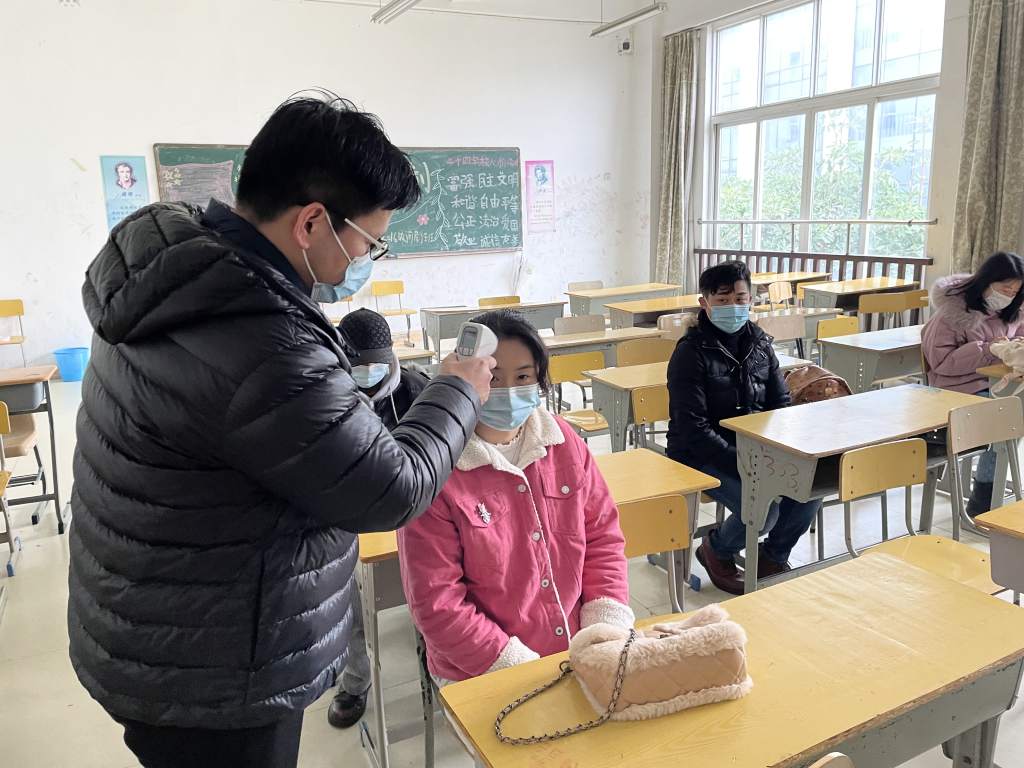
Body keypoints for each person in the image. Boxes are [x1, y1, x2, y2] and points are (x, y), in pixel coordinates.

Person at [68, 93, 494, 768]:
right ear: (312, 223)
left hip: (150, 625)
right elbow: (391, 491)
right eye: (368, 242)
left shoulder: (173, 272)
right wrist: (458, 389)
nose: (366, 260)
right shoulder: (265, 339)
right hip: (216, 670)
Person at [398, 309, 633, 684]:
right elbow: (437, 603)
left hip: (576, 649)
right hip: (480, 669)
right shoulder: (437, 469)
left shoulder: (564, 443)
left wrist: (603, 627)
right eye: (493, 377)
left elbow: (602, 536)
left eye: (523, 377)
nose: (508, 391)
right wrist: (521, 669)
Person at [665, 261, 819, 595]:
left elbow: (780, 403)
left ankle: (772, 556)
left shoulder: (760, 344)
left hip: (755, 448)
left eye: (740, 299)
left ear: (751, 300)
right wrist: (744, 460)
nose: (733, 307)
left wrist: (778, 450)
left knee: (809, 487)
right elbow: (693, 428)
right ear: (704, 303)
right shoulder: (690, 353)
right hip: (700, 454)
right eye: (722, 300)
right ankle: (716, 548)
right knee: (763, 511)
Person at [327, 308, 429, 728]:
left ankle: (436, 654)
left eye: (378, 367)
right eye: (359, 367)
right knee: (347, 595)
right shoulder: (325, 394)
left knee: (441, 581)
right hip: (352, 520)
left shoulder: (418, 391)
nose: (369, 376)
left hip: (416, 514)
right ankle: (356, 678)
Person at [922, 251, 1024, 515]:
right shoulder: (952, 314)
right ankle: (984, 497)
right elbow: (940, 363)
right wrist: (989, 349)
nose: (1009, 295)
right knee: (1004, 418)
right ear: (987, 282)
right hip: (954, 388)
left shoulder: (1013, 310)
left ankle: (993, 489)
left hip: (995, 383)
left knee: (1014, 412)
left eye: (1015, 291)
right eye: (1005, 288)